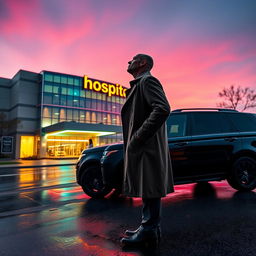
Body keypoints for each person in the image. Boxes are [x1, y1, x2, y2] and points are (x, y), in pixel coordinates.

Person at [120, 54, 174, 247]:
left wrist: (139, 136)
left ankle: (149, 229)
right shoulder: (140, 84)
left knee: (150, 186)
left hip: (147, 147)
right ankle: (148, 227)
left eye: (132, 59)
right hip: (145, 148)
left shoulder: (148, 81)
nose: (129, 61)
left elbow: (162, 109)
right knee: (147, 187)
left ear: (142, 63)